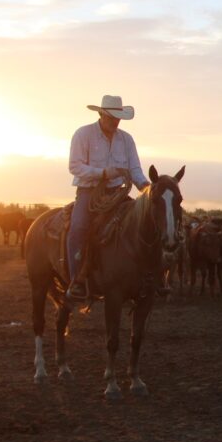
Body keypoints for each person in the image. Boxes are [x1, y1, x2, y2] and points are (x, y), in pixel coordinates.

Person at [66, 95, 150, 300]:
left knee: (144, 224)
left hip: (118, 193)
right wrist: (103, 173)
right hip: (89, 193)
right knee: (77, 228)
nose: (116, 122)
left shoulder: (126, 139)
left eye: (118, 118)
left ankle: (147, 277)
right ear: (101, 114)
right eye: (112, 117)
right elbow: (74, 166)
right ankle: (76, 279)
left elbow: (135, 169)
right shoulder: (83, 134)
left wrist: (147, 188)